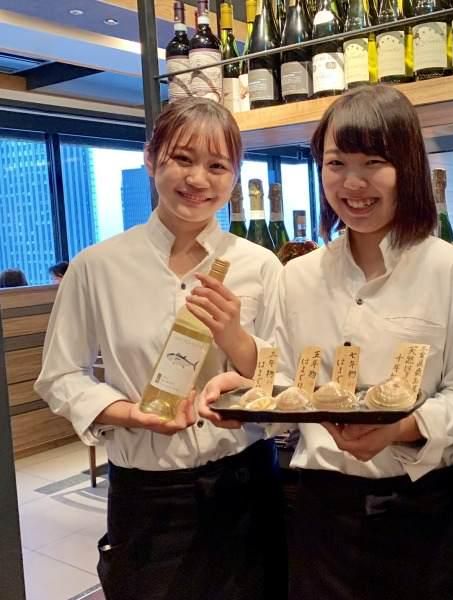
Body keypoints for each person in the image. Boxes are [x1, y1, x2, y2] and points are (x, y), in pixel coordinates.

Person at [200, 85, 453, 600]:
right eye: (336, 163)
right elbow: (288, 380)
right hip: (322, 513)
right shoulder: (298, 276)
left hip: (426, 514)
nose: (353, 183)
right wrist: (245, 388)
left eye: (374, 163)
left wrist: (403, 427)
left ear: (407, 168)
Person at [35, 97, 286, 600]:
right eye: (182, 159)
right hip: (147, 494)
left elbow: (285, 378)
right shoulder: (97, 267)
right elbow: (60, 375)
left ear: (235, 177)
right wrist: (131, 414)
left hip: (246, 483)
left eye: (217, 166)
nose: (198, 179)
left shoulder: (259, 266)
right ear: (151, 159)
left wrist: (236, 342)